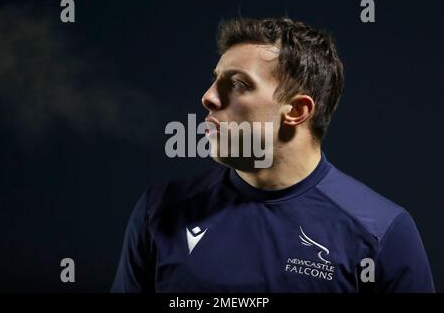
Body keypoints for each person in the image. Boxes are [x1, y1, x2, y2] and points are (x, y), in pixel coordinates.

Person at [111, 17, 435, 292]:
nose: (208, 97)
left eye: (237, 84)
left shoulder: (381, 232)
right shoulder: (160, 211)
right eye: (214, 81)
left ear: (296, 110)